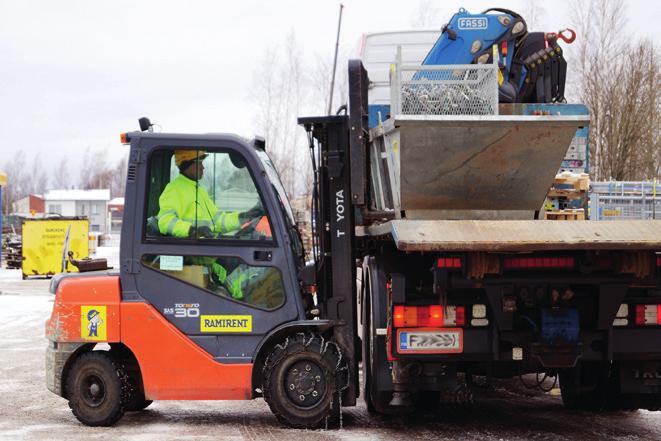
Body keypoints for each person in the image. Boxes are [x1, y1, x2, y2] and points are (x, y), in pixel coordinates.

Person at [156, 150, 263, 300]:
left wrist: (244, 217)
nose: (203, 168)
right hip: (197, 253)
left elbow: (218, 221)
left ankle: (242, 297)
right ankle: (242, 301)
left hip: (209, 247)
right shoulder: (174, 190)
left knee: (250, 245)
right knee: (238, 261)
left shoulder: (199, 191)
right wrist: (191, 230)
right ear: (188, 165)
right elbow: (165, 221)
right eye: (199, 163)